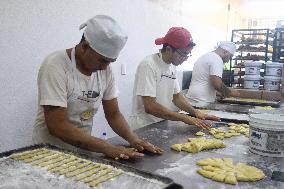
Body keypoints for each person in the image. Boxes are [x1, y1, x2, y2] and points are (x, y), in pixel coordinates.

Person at [33, 15, 163, 160]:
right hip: (49, 152)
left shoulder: (105, 71)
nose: (105, 67)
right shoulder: (55, 65)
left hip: (82, 150)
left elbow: (113, 114)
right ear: (84, 47)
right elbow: (57, 125)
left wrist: (133, 139)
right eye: (102, 60)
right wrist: (106, 147)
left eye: (110, 62)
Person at [129, 27, 219, 131]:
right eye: (183, 54)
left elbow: (177, 97)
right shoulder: (149, 65)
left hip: (161, 122)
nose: (185, 59)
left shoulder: (171, 66)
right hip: (144, 125)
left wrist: (195, 113)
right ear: (168, 49)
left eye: (188, 54)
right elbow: (150, 106)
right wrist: (183, 118)